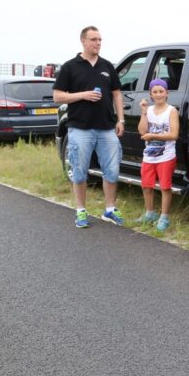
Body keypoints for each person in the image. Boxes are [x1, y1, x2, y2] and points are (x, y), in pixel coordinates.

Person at [53, 26, 125, 228]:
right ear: (83, 41)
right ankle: (81, 211)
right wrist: (82, 95)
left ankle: (110, 210)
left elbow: (117, 93)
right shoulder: (70, 67)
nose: (98, 43)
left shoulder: (107, 66)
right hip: (80, 128)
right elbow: (57, 96)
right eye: (94, 39)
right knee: (80, 170)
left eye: (100, 39)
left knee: (112, 169)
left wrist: (121, 120)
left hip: (106, 128)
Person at [137, 78, 180, 231]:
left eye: (161, 91)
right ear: (151, 94)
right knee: (146, 186)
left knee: (165, 187)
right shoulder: (148, 111)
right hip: (149, 156)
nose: (158, 94)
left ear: (167, 93)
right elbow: (142, 131)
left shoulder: (171, 111)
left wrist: (153, 136)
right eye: (155, 92)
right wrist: (143, 112)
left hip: (166, 156)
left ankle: (164, 217)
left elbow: (174, 134)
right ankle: (150, 213)